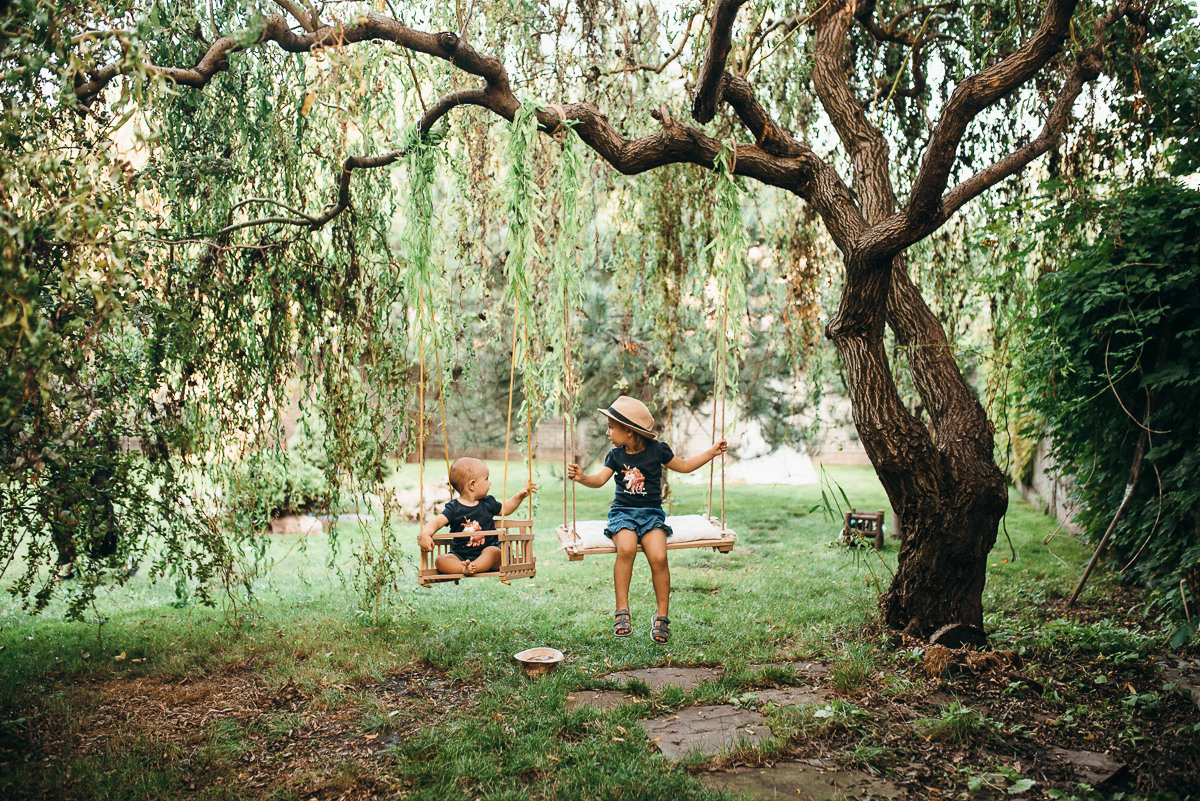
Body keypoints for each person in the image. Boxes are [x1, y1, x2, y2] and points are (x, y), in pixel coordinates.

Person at [567, 395, 727, 644]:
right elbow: (598, 481)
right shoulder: (615, 456)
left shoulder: (658, 450)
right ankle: (622, 611)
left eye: (612, 427)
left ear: (629, 431)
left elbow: (684, 466)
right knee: (627, 548)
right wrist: (581, 477)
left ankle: (662, 616)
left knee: (659, 556)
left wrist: (712, 452)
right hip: (622, 513)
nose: (608, 432)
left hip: (651, 514)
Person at [418, 457, 536, 576]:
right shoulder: (453, 508)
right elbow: (437, 522)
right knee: (441, 560)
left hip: (490, 550)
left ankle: (475, 567)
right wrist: (425, 534)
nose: (489, 483)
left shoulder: (487, 503)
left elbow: (505, 509)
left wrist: (519, 496)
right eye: (486, 479)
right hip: (462, 556)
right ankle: (464, 568)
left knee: (493, 552)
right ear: (472, 484)